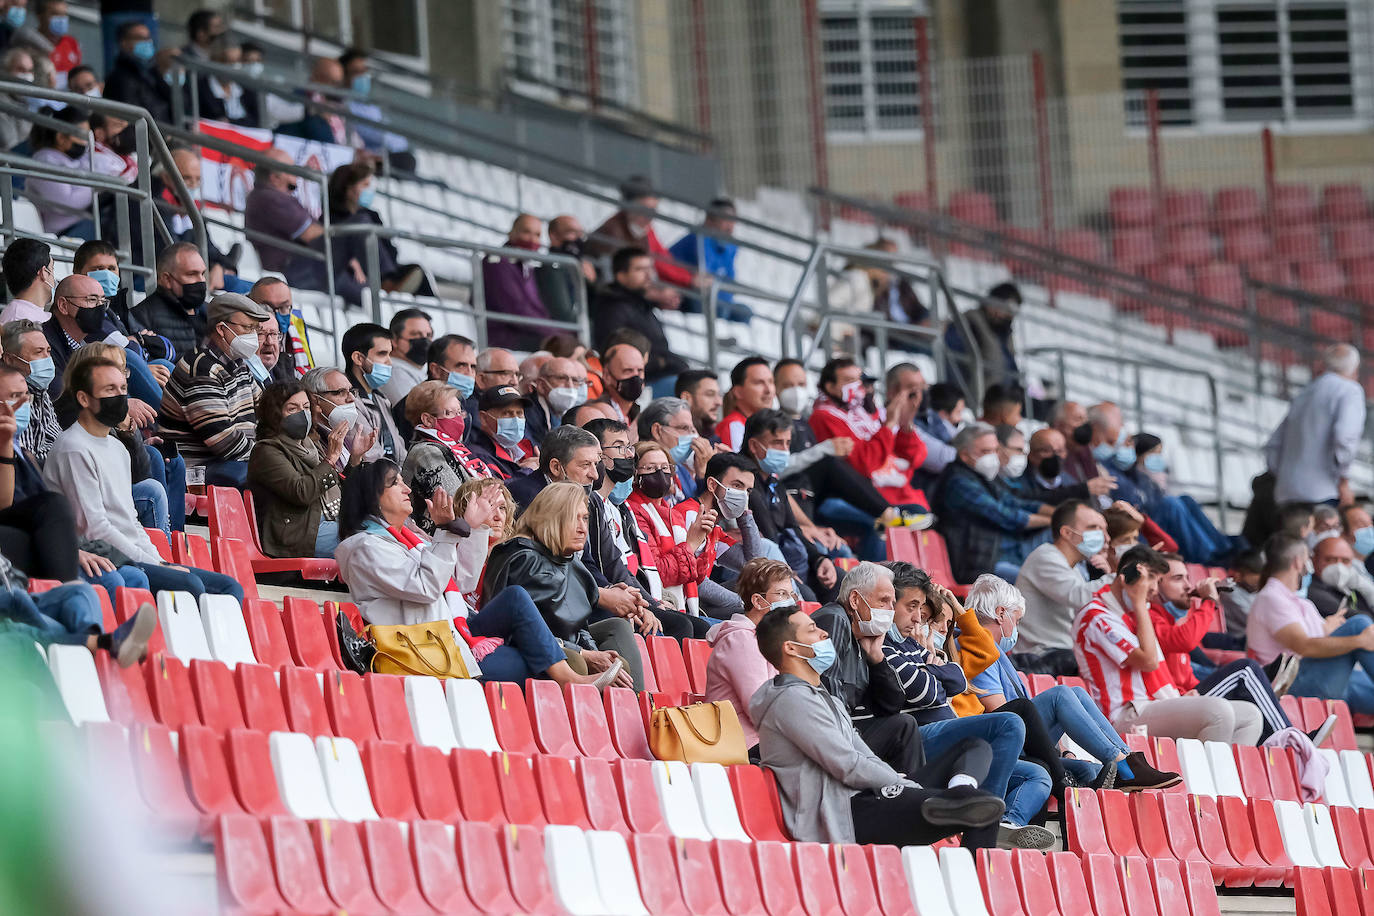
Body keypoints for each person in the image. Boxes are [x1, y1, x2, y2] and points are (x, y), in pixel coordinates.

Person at [334, 461, 627, 689]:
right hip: (423, 652)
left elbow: (462, 580)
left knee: (515, 600)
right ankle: (568, 678)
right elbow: (424, 587)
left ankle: (568, 676)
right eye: (394, 483)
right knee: (550, 664)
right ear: (372, 496)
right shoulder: (364, 548)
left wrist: (472, 527)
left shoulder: (408, 539)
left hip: (449, 636)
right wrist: (447, 533)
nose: (407, 488)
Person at [810, 562, 1029, 849]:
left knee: (986, 749)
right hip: (858, 781)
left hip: (885, 760)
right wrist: (892, 779)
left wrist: (876, 659)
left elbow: (918, 693)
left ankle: (962, 799)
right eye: (889, 602)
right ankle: (960, 813)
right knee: (1010, 720)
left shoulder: (879, 642)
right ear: (855, 600)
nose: (914, 618)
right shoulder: (836, 621)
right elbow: (917, 694)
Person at [751, 604, 1006, 846]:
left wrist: (897, 783)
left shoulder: (821, 696)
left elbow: (864, 754)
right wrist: (905, 786)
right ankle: (960, 831)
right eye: (811, 630)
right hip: (844, 814)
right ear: (791, 649)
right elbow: (847, 765)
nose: (823, 631)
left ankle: (957, 794)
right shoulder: (791, 700)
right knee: (983, 807)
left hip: (868, 797)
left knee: (975, 749)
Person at [43, 356, 244, 602]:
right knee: (190, 587)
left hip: (136, 555)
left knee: (230, 587)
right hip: (108, 556)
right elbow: (95, 528)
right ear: (84, 398)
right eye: (109, 390)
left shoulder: (117, 448)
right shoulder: (74, 448)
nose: (120, 397)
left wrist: (159, 561)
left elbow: (131, 521)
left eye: (123, 389)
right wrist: (156, 564)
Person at [962, 573, 1179, 791]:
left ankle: (1128, 761)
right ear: (1001, 614)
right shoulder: (980, 649)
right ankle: (1124, 765)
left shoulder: (995, 651)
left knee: (1078, 693)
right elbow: (1004, 713)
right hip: (1004, 740)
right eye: (1017, 621)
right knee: (1060, 695)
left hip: (1022, 736)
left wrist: (1063, 750)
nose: (1016, 628)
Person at [1073, 545, 1260, 743]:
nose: (1152, 593)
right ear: (1125, 579)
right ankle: (1202, 773)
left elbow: (1157, 671)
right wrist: (1138, 603)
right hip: (1120, 715)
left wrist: (1178, 696)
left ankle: (1224, 773)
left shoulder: (1128, 614)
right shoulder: (1096, 616)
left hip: (1149, 705)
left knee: (1250, 716)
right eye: (1149, 585)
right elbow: (1148, 661)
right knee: (1218, 712)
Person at [483, 480, 645, 688]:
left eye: (585, 518)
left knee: (617, 649)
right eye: (573, 519)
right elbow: (529, 630)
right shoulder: (523, 559)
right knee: (576, 662)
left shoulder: (570, 561)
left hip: (562, 644)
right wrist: (584, 654)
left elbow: (578, 625)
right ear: (551, 518)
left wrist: (595, 653)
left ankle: (641, 705)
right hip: (518, 647)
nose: (582, 528)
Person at [1149, 552, 1301, 742]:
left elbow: (1187, 677)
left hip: (1185, 700)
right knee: (1244, 671)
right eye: (1178, 579)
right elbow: (1185, 640)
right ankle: (1293, 742)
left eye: (1188, 578)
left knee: (1251, 704)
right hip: (1169, 708)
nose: (1188, 586)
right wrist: (1209, 602)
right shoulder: (1149, 619)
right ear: (1154, 585)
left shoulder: (1171, 621)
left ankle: (1276, 737)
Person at [1248, 534, 1374, 715]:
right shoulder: (1272, 598)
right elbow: (1304, 646)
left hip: (1314, 675)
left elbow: (1314, 639)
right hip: (1288, 685)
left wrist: (1327, 628)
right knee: (1359, 624)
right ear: (1298, 562)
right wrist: (1359, 641)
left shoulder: (1300, 602)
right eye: (1307, 558)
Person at [159, 293, 270, 487]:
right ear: (221, 328)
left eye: (255, 329)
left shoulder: (239, 365)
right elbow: (223, 442)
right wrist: (272, 457)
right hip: (202, 473)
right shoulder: (201, 370)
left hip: (233, 463)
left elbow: (268, 412)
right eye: (247, 328)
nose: (254, 336)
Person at [740, 408, 840, 601]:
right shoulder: (743, 479)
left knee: (838, 580)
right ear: (754, 445)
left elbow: (792, 527)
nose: (784, 450)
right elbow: (768, 533)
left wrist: (819, 559)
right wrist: (788, 574)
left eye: (787, 443)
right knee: (808, 596)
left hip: (787, 561)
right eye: (777, 443)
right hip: (759, 568)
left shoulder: (773, 481)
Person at [934, 422, 1051, 584]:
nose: (994, 456)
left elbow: (1014, 502)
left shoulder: (981, 475)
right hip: (980, 564)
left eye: (995, 450)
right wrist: (1054, 520)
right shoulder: (958, 482)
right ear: (964, 455)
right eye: (986, 451)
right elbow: (1004, 515)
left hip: (1000, 552)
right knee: (1043, 580)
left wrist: (1057, 513)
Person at [809, 357, 926, 508]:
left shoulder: (866, 413)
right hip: (873, 504)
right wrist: (889, 425)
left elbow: (915, 458)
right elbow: (864, 464)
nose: (858, 385)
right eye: (849, 380)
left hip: (902, 496)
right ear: (830, 387)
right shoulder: (823, 417)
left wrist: (905, 423)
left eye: (860, 380)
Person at [704, 557, 794, 752]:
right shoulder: (741, 641)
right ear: (757, 601)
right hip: (741, 744)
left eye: (791, 595)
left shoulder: (766, 640)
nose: (790, 602)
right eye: (781, 594)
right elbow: (759, 708)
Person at [1015, 499, 1111, 676]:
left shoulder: (1074, 569)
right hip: (1040, 656)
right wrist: (1119, 579)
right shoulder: (1045, 557)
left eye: (1105, 530)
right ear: (1067, 532)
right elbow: (1078, 597)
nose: (1106, 537)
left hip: (1063, 654)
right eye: (1094, 528)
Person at [247, 381, 342, 558]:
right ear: (274, 414)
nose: (302, 414)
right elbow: (301, 492)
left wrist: (355, 458)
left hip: (324, 522)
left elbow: (335, 483)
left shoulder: (310, 445)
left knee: (379, 533)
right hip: (297, 533)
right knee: (365, 540)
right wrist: (330, 460)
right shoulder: (266, 450)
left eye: (306, 407)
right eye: (293, 409)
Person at [1266, 344, 1365, 509]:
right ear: (1355, 369)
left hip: (1287, 492)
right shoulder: (1350, 390)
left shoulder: (1306, 392)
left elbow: (1273, 445)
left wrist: (1284, 476)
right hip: (1323, 491)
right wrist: (1343, 480)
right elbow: (1344, 437)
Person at [590, 248, 689, 393]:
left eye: (650, 268)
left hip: (661, 376)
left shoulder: (640, 304)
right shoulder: (612, 308)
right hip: (642, 384)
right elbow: (615, 356)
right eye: (640, 269)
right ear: (621, 276)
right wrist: (663, 362)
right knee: (689, 391)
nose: (649, 275)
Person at [326, 162, 428, 299]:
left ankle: (435, 314)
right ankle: (386, 284)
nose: (370, 190)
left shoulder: (371, 214)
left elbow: (390, 248)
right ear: (349, 189)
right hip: (358, 275)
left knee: (417, 271)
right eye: (365, 185)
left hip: (386, 271)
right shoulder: (330, 218)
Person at [400, 380, 495, 525]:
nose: (458, 419)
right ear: (427, 420)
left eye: (459, 412)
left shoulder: (452, 448)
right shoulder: (426, 452)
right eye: (449, 413)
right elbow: (459, 502)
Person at [587, 175, 694, 293]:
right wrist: (653, 295)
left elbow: (652, 269)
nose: (649, 217)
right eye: (643, 210)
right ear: (627, 206)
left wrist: (659, 292)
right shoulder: (611, 233)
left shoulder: (642, 231)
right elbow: (612, 285)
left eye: (653, 211)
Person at [667, 197, 751, 323]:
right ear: (709, 220)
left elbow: (728, 279)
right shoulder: (697, 239)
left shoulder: (730, 245)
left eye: (733, 220)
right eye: (726, 219)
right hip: (687, 296)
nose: (730, 225)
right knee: (720, 310)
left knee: (745, 312)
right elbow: (705, 279)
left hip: (715, 297)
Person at [483, 213, 561, 350]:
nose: (532, 239)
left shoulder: (526, 265)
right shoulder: (497, 261)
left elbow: (535, 308)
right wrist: (555, 332)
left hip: (524, 332)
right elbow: (516, 309)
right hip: (502, 336)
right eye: (526, 232)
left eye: (537, 235)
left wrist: (557, 331)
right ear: (512, 233)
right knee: (562, 347)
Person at [337, 48, 416, 171]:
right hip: (368, 159)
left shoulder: (370, 106)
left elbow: (396, 139)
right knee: (407, 161)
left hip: (385, 155)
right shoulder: (345, 105)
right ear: (344, 76)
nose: (363, 76)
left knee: (408, 160)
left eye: (365, 71)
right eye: (357, 72)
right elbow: (382, 136)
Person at [130, 242, 208, 362]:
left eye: (202, 274)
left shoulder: (211, 312)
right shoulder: (141, 316)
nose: (201, 281)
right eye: (192, 274)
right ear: (166, 279)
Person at [340, 322, 406, 466]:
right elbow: (370, 456)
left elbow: (399, 451)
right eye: (382, 354)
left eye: (390, 354)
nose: (390, 362)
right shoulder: (346, 400)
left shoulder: (380, 398)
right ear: (358, 358)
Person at [26, 104, 96, 238]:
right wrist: (98, 188)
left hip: (80, 223)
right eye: (81, 136)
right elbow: (65, 202)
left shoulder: (70, 159)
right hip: (62, 231)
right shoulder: (44, 160)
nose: (85, 142)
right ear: (61, 138)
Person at [391, 334, 476, 442]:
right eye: (461, 365)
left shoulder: (470, 402)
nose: (469, 373)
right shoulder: (416, 405)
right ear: (436, 370)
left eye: (473, 367)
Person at [943, 281, 1022, 390]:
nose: (1008, 316)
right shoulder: (969, 322)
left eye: (1012, 312)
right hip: (982, 396)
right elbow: (955, 364)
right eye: (1006, 309)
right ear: (992, 302)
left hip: (1005, 395)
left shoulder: (1003, 329)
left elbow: (1012, 366)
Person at [2, 319, 56, 461]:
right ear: (10, 359)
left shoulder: (40, 389)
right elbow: (25, 456)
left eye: (48, 351)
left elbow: (55, 438)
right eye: (38, 352)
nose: (47, 358)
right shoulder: (10, 396)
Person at [102, 21, 171, 124]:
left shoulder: (151, 72)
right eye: (140, 38)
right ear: (124, 43)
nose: (148, 42)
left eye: (148, 37)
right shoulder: (121, 78)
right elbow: (131, 118)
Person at [535, 214, 595, 326]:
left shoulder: (581, 266)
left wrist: (591, 283)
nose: (578, 238)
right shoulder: (551, 267)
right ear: (553, 236)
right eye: (571, 232)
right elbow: (563, 315)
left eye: (580, 233)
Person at [466, 383, 537, 479]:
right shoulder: (478, 456)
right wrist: (528, 472)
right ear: (484, 418)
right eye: (507, 413)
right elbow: (498, 490)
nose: (516, 420)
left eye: (519, 413)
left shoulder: (525, 448)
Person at [249, 278, 312, 383]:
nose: (275, 315)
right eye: (266, 307)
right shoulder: (240, 333)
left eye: (284, 307)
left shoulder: (297, 324)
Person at [524, 357, 587, 449]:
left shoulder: (574, 414)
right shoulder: (525, 410)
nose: (570, 385)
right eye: (562, 378)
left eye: (574, 380)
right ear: (541, 385)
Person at [717, 356, 776, 451]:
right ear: (738, 392)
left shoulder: (763, 426)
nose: (768, 390)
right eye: (759, 383)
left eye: (771, 382)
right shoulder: (734, 425)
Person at [1310, 533, 1374, 618]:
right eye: (1331, 560)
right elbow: (1359, 618)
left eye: (1345, 561)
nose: (1339, 566)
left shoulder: (1352, 587)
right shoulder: (1312, 590)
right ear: (1314, 560)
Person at [376, 307, 431, 405]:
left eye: (428, 335)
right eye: (416, 334)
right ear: (394, 340)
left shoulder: (412, 369)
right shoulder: (394, 371)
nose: (425, 340)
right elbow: (415, 412)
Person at [0, 240, 53, 327]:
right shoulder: (19, 319)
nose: (54, 279)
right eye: (52, 268)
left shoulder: (23, 313)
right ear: (44, 273)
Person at [597, 342, 646, 424]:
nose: (636, 376)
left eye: (640, 371)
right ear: (607, 375)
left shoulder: (639, 415)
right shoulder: (598, 416)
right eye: (628, 371)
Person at [1221, 547, 1264, 639]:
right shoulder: (1229, 592)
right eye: (1255, 581)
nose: (1257, 585)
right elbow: (1257, 622)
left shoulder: (1248, 590)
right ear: (1238, 575)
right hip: (1238, 641)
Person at [675, 368, 723, 441]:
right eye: (710, 394)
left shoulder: (715, 440)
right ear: (686, 398)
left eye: (719, 395)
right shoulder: (670, 440)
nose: (719, 402)